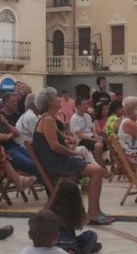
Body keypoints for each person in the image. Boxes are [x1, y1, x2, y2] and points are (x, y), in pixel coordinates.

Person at [31, 88, 114, 225]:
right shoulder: (48, 120)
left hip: (56, 162)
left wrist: (68, 140)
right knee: (97, 171)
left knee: (93, 167)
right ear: (50, 102)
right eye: (56, 97)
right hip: (55, 165)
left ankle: (95, 211)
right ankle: (93, 213)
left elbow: (59, 139)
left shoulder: (49, 119)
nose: (60, 99)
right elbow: (54, 146)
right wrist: (74, 153)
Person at [46, 180, 101, 254]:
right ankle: (77, 251)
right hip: (70, 244)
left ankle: (68, 251)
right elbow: (83, 222)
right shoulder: (76, 210)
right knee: (91, 235)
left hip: (52, 245)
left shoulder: (50, 210)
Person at [68, 96, 104, 166]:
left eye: (87, 104)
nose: (86, 106)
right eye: (84, 104)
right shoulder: (74, 118)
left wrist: (97, 138)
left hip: (91, 137)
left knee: (106, 141)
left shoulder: (87, 116)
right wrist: (95, 140)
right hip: (82, 140)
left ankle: (103, 164)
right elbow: (80, 135)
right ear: (78, 106)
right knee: (98, 145)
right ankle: (99, 165)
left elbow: (93, 130)